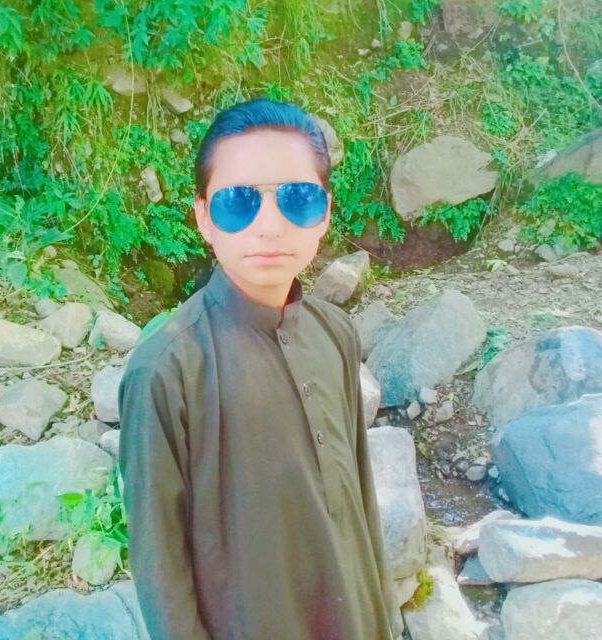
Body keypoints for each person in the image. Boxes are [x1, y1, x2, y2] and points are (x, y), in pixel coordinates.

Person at [118, 97, 405, 640]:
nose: (269, 225)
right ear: (204, 218)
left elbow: (360, 500)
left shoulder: (335, 333)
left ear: (324, 212)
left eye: (296, 199)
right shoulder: (166, 371)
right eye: (238, 202)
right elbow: (160, 571)